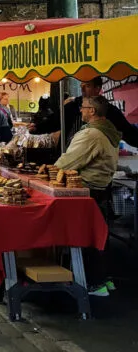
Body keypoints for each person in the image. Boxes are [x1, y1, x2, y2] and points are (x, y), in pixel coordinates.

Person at [55, 95, 120, 296]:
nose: (81, 111)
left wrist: (49, 169)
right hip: (102, 189)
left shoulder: (91, 134)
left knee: (86, 238)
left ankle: (94, 284)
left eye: (83, 107)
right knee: (100, 236)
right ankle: (105, 279)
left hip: (87, 190)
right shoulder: (109, 130)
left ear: (92, 111)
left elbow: (68, 161)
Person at [39, 77, 138, 147]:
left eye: (87, 86)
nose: (82, 89)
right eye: (81, 85)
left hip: (93, 164)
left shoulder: (110, 111)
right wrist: (37, 127)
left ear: (97, 88)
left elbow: (128, 132)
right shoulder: (72, 106)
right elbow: (55, 122)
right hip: (68, 155)